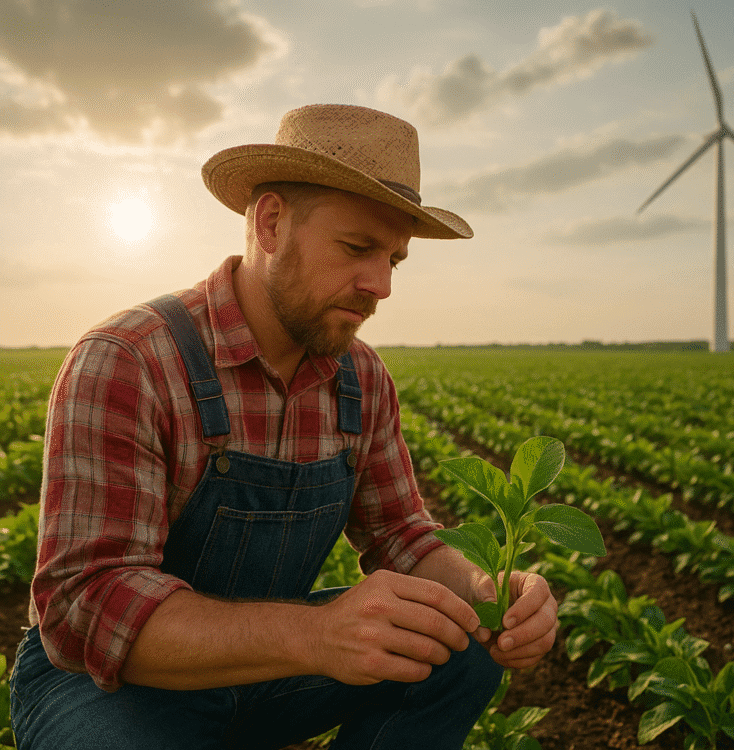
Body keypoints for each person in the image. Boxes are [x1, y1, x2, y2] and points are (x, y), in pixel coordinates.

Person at [10, 104, 558, 750]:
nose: (380, 285)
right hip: (108, 691)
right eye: (357, 248)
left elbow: (404, 538)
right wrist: (317, 637)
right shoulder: (130, 360)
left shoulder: (362, 381)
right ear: (271, 223)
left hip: (271, 676)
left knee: (462, 637)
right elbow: (85, 608)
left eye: (394, 259)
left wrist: (489, 592)